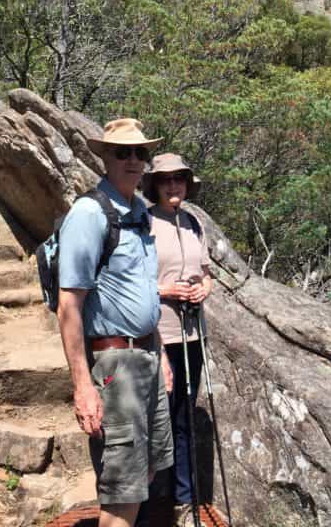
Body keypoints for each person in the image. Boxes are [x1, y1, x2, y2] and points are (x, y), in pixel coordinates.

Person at [56, 118, 174, 527]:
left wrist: (161, 355)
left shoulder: (139, 212)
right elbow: (68, 305)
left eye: (140, 152)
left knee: (146, 473)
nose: (133, 160)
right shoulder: (89, 214)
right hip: (114, 364)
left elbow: (143, 292)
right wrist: (82, 387)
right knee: (121, 489)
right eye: (122, 152)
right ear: (104, 157)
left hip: (147, 357)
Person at [142, 153, 213, 525]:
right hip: (158, 335)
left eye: (179, 180)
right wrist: (163, 290)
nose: (173, 186)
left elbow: (206, 273)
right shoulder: (144, 222)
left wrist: (204, 289)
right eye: (166, 180)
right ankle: (148, 503)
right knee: (157, 419)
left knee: (184, 417)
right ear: (154, 184)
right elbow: (132, 283)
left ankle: (183, 502)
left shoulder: (192, 223)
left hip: (191, 335)